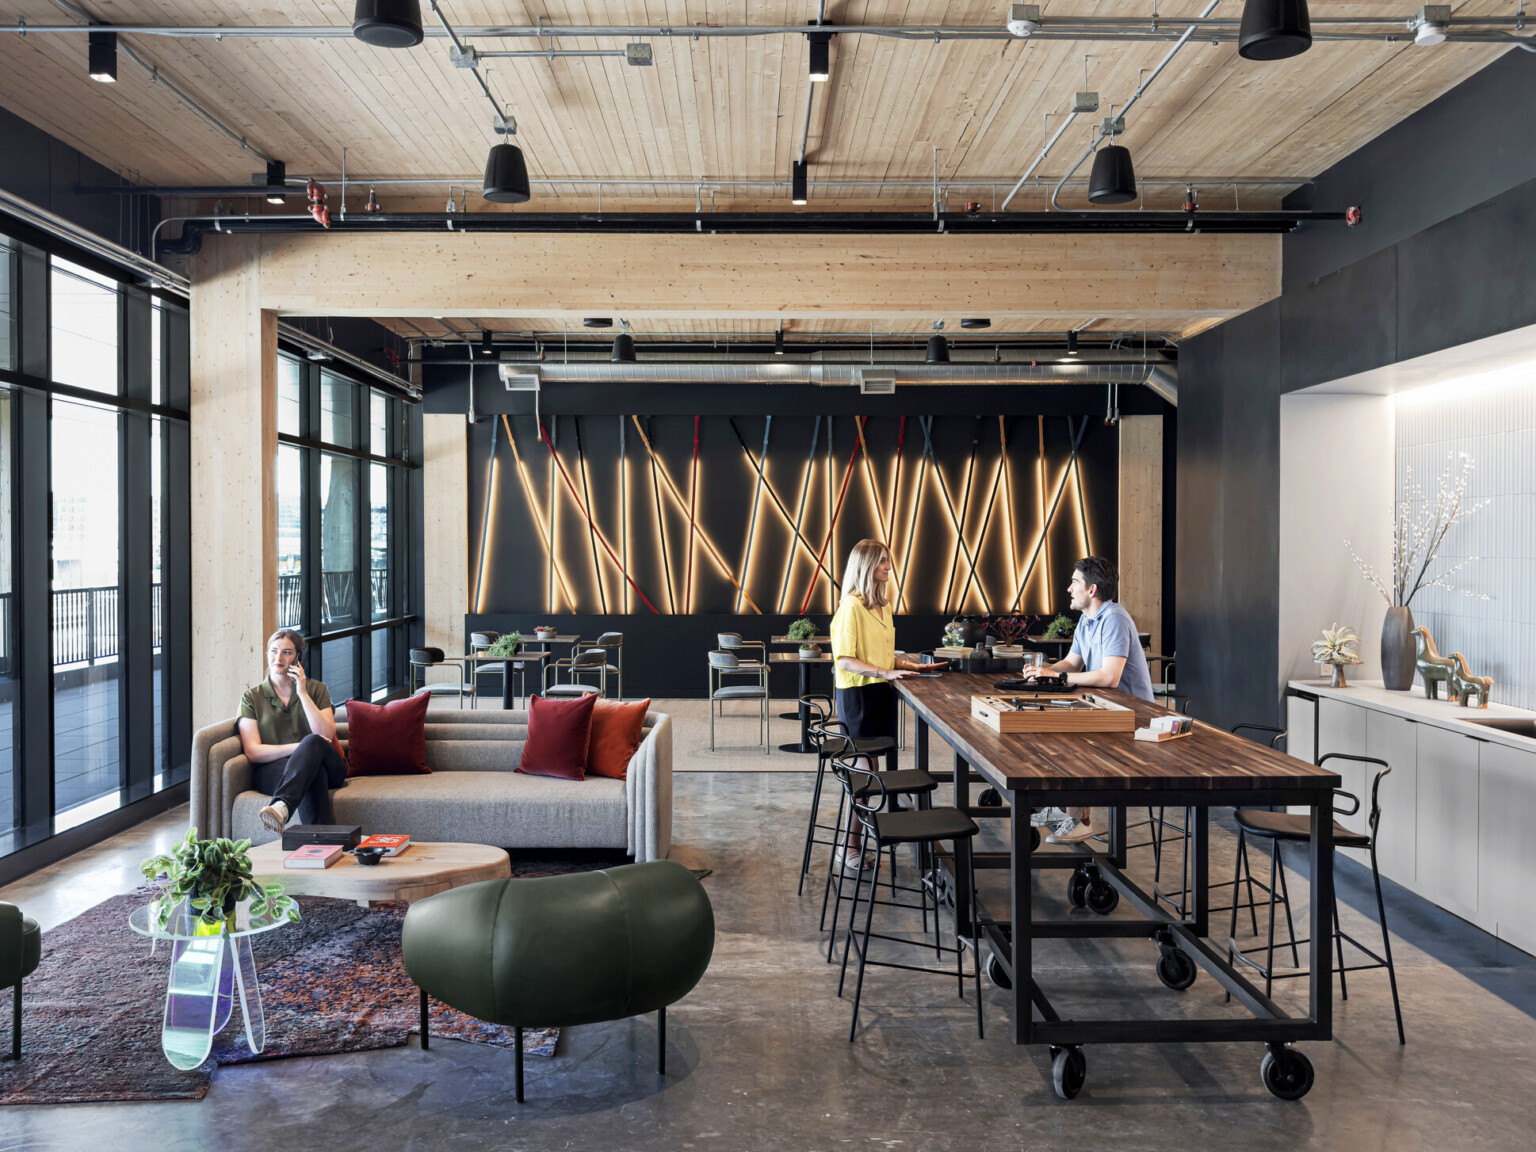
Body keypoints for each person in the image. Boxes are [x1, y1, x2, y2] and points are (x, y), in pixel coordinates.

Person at [828, 539, 945, 870]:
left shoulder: (884, 606)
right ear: (865, 566)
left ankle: (862, 841)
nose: (887, 567)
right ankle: (849, 846)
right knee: (866, 774)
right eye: (881, 561)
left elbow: (882, 654)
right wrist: (885, 671)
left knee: (873, 770)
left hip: (880, 692)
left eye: (887, 561)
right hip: (858, 695)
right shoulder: (851, 606)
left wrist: (910, 665)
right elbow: (846, 661)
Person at [1023, 556, 1155, 845]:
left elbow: (1110, 677)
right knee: (1050, 728)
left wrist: (1058, 678)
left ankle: (1079, 820)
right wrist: (1044, 672)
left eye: (1074, 582)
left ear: (1092, 589)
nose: (1069, 588)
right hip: (1107, 709)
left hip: (1135, 717)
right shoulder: (1086, 620)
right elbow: (1072, 663)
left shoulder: (1115, 618)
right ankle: (1062, 809)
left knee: (1074, 738)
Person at [237, 628, 349, 834]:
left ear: (299, 658)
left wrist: (303, 693)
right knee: (314, 773)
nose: (278, 657)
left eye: (287, 652)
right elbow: (253, 751)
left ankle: (282, 804)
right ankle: (322, 845)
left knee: (314, 741)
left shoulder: (317, 690)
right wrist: (299, 749)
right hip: (274, 770)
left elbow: (326, 734)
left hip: (332, 766)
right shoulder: (252, 697)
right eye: (273, 651)